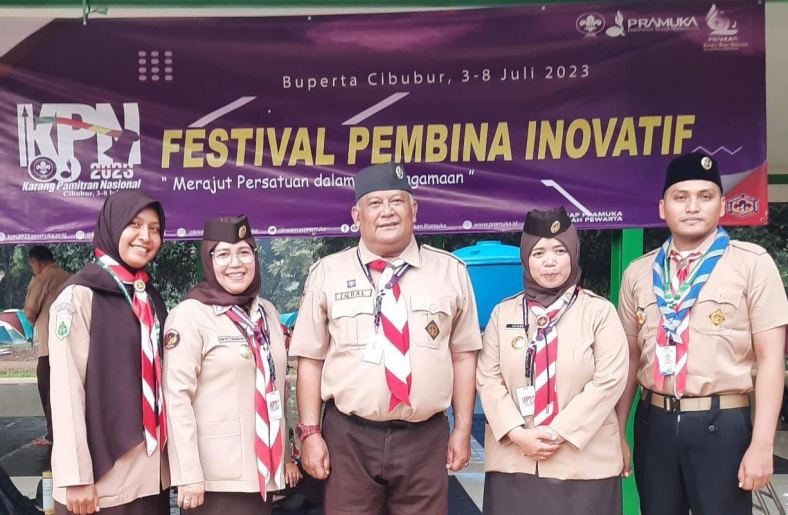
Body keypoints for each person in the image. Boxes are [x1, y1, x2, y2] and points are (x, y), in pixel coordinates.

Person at [289, 162, 482, 514]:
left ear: (414, 210)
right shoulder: (328, 273)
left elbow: (464, 355)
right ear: (356, 215)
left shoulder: (450, 272)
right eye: (375, 203)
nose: (387, 211)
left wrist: (463, 428)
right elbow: (310, 360)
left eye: (397, 201)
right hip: (349, 437)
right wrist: (310, 433)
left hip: (425, 437)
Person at [616, 153, 788, 515]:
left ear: (722, 205)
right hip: (654, 423)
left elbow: (771, 358)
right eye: (681, 197)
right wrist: (617, 432)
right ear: (663, 207)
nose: (692, 207)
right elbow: (629, 358)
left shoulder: (752, 265)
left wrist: (762, 444)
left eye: (705, 196)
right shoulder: (638, 273)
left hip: (722, 425)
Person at [476, 206, 628, 515]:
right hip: (515, 460)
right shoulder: (503, 314)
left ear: (573, 253)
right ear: (525, 259)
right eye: (539, 253)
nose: (549, 261)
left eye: (559, 251)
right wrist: (517, 433)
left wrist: (557, 433)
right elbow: (488, 378)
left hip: (585, 464)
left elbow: (609, 381)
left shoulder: (599, 313)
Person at [163, 215, 300, 514]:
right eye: (223, 254)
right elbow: (176, 398)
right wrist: (188, 474)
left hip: (264, 472)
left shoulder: (267, 312)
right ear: (208, 260)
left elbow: (276, 386)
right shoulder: (190, 315)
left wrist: (287, 456)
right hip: (215, 480)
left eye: (244, 252)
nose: (235, 263)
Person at [48, 191, 169, 515]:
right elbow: (66, 390)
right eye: (135, 224)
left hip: (149, 476)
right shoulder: (78, 297)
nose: (146, 237)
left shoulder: (149, 297)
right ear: (113, 226)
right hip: (100, 481)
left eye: (155, 229)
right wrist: (76, 477)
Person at [23, 245, 70, 446]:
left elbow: (29, 311)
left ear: (36, 262)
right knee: (69, 392)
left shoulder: (43, 278)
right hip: (71, 346)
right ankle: (71, 432)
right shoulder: (70, 277)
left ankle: (53, 435)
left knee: (48, 391)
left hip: (49, 348)